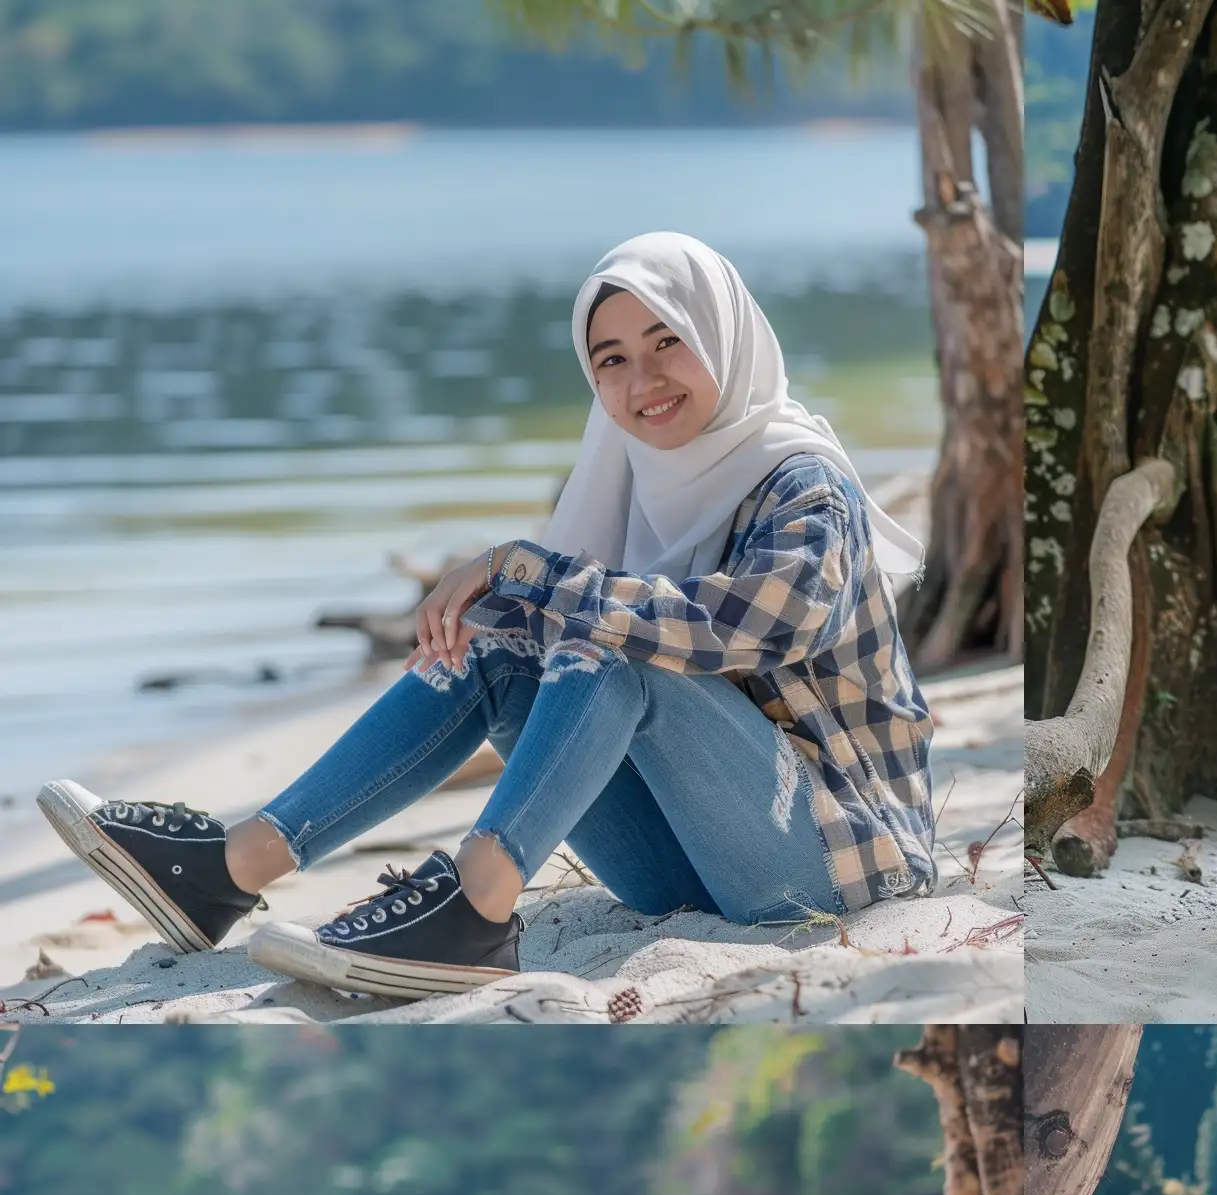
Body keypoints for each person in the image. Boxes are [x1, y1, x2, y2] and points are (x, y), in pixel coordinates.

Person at [38, 233, 935, 1002]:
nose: (643, 380)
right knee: (511, 645)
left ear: (727, 342)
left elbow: (756, 629)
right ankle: (231, 870)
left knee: (602, 632)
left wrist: (525, 566)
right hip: (692, 868)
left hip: (841, 861)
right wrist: (508, 599)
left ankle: (472, 910)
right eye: (611, 360)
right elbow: (573, 621)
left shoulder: (804, 488)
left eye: (669, 342)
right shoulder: (638, 486)